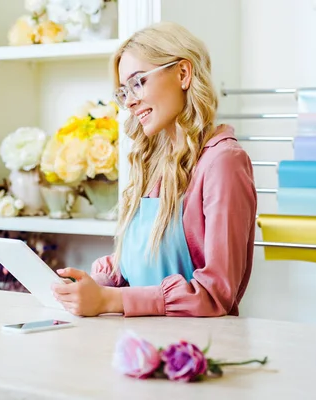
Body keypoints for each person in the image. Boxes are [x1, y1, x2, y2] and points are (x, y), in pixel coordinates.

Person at [51, 22, 257, 318]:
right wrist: (93, 286)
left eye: (138, 82)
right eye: (123, 92)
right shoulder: (154, 161)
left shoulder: (223, 162)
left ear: (183, 74)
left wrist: (111, 300)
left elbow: (216, 295)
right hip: (142, 339)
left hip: (194, 351)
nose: (130, 102)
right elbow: (139, 263)